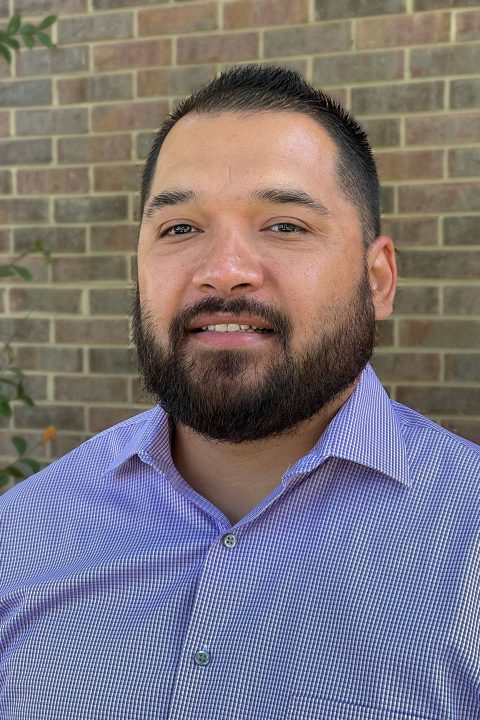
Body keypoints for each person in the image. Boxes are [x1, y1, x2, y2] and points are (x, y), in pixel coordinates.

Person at [0, 65, 479, 719]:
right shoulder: (18, 539)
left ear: (378, 280)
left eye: (284, 226)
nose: (224, 271)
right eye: (179, 229)